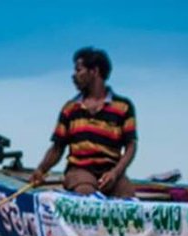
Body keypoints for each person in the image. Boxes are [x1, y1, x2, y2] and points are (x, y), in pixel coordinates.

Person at [31, 47, 137, 198]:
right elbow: (57, 147)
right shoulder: (70, 109)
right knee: (86, 193)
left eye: (79, 70)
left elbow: (131, 146)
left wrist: (115, 173)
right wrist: (41, 170)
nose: (74, 76)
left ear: (94, 71)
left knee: (128, 198)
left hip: (111, 170)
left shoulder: (123, 107)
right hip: (79, 170)